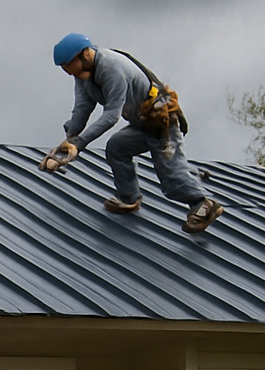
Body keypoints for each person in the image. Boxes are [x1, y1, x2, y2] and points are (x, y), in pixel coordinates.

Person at [49, 31, 222, 233]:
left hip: (161, 122)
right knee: (117, 147)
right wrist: (68, 140)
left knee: (170, 173)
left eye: (68, 65)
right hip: (141, 124)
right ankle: (129, 199)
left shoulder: (111, 69)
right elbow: (83, 107)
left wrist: (79, 144)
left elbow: (112, 115)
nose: (67, 71)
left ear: (84, 54)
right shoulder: (83, 75)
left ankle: (204, 205)